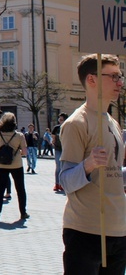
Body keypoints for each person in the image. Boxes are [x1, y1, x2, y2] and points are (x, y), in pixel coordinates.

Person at [59, 54, 126, 273]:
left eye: (121, 76)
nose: (120, 82)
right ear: (92, 80)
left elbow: (113, 173)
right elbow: (66, 181)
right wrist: (87, 165)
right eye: (114, 76)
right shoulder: (76, 123)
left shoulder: (112, 122)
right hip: (86, 231)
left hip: (118, 229)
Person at [0, 112, 28, 222]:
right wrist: (16, 153)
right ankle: (23, 212)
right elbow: (25, 152)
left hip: (0, 165)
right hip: (16, 165)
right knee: (20, 189)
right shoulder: (19, 136)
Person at [52, 112, 68, 192]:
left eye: (61, 119)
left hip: (66, 149)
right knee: (58, 166)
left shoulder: (68, 127)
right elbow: (53, 138)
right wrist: (53, 142)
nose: (60, 120)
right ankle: (57, 184)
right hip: (58, 149)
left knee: (64, 167)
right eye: (59, 119)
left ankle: (62, 184)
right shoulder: (56, 128)